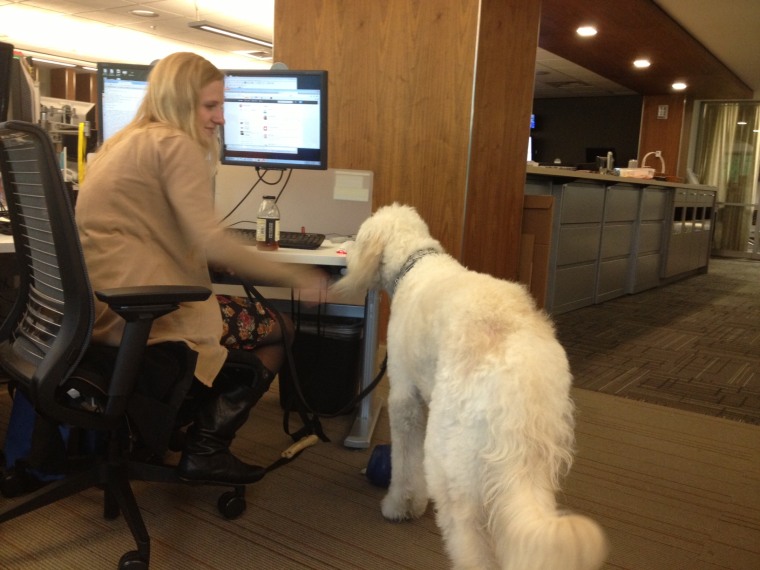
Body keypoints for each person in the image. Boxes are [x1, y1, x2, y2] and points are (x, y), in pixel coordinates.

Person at [76, 52, 325, 485]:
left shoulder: (125, 141)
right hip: (148, 313)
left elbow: (170, 230)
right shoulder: (175, 144)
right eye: (210, 107)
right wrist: (298, 276)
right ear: (179, 101)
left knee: (232, 304)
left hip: (102, 310)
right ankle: (206, 448)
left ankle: (171, 427)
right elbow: (210, 240)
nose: (221, 118)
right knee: (280, 327)